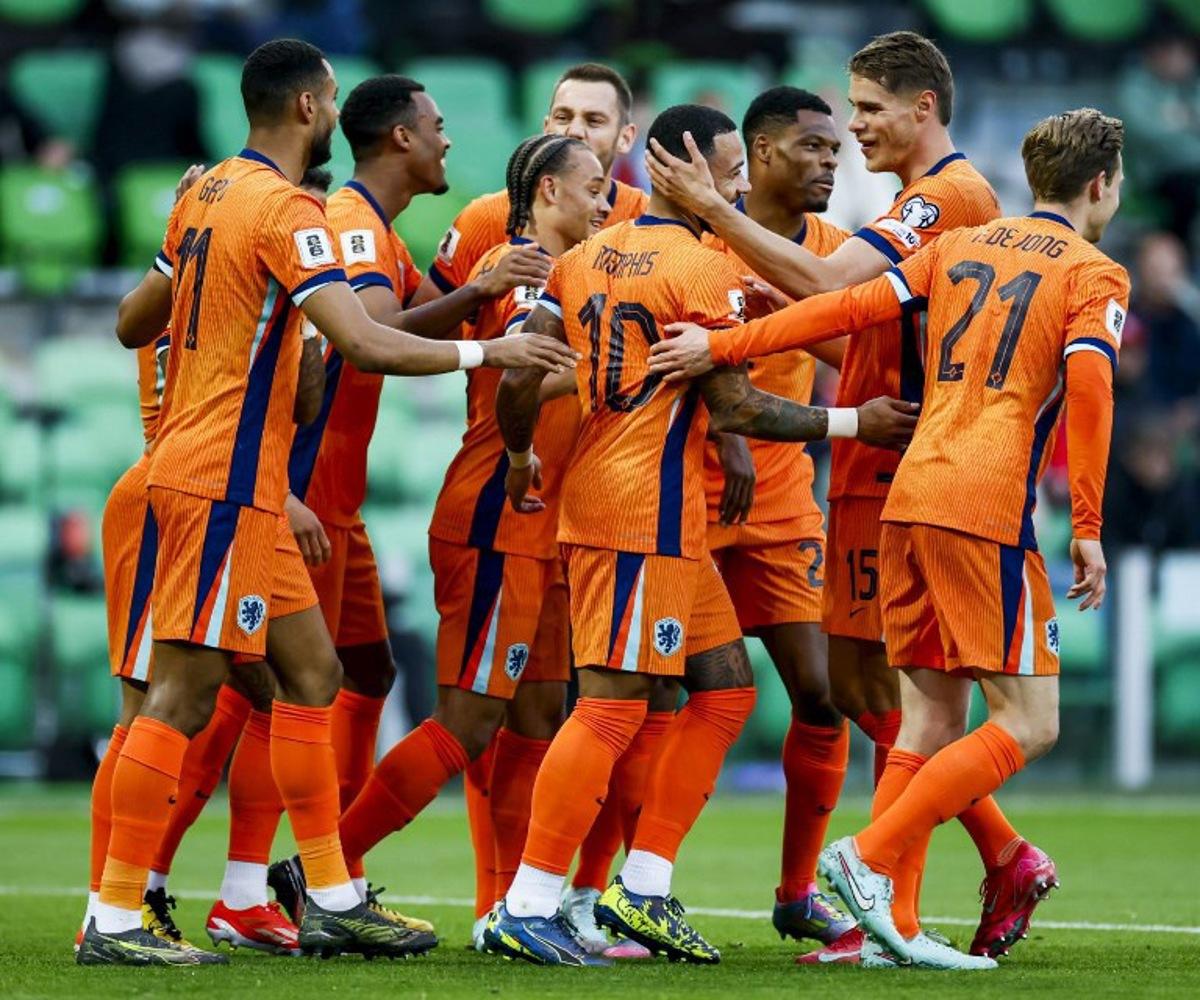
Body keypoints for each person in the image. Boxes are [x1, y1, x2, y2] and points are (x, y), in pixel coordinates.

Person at [80, 37, 575, 967]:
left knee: (315, 677)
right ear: (310, 109)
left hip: (235, 477)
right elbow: (364, 344)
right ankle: (115, 913)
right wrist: (490, 351)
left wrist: (221, 295)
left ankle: (331, 894)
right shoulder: (292, 210)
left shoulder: (204, 192)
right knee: (180, 701)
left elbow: (130, 323)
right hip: (219, 477)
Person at [649, 106, 1127, 971]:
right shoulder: (1097, 276)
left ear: (1033, 179)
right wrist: (1087, 525)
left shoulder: (952, 248)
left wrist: (723, 344)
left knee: (928, 715)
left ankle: (891, 930)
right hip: (986, 507)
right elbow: (1090, 394)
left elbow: (839, 303)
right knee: (1032, 722)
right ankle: (867, 856)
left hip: (902, 493)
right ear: (1104, 185)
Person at [482, 103, 917, 967]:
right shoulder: (697, 267)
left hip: (634, 507)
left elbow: (521, 369)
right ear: (690, 169)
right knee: (610, 705)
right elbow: (740, 404)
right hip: (642, 512)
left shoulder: (585, 259)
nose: (740, 182)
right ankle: (525, 903)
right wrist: (853, 424)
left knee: (723, 689)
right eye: (729, 166)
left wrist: (524, 453)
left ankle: (641, 890)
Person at [264, 73, 553, 937]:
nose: (447, 141)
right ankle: (293, 883)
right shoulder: (350, 223)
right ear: (399, 138)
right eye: (436, 126)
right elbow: (377, 332)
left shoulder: (381, 232)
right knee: (242, 694)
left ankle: (331, 876)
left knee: (367, 676)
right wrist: (487, 305)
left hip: (339, 503)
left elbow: (444, 324)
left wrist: (492, 296)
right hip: (302, 495)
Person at [328, 132, 611, 950]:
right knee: (468, 720)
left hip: (539, 522)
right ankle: (325, 870)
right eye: (593, 188)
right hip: (498, 513)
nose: (604, 203)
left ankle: (511, 908)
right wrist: (609, 375)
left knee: (535, 721)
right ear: (550, 193)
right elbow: (517, 378)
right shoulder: (535, 271)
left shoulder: (551, 269)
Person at [407, 64, 653, 920]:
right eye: (561, 114)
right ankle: (325, 873)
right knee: (485, 715)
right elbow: (399, 329)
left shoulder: (642, 232)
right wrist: (479, 294)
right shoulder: (486, 220)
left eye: (594, 118)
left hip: (585, 513)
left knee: (552, 715)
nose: (577, 126)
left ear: (625, 139)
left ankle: (542, 901)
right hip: (505, 497)